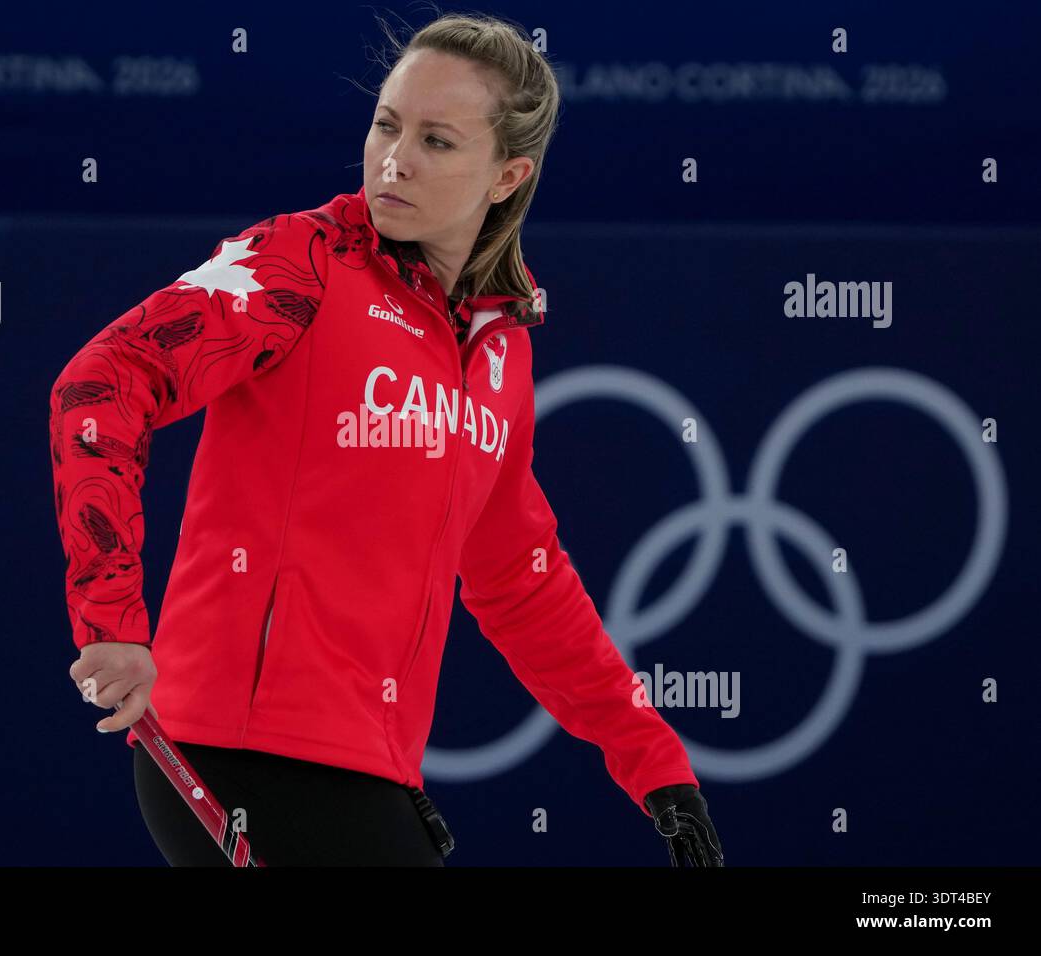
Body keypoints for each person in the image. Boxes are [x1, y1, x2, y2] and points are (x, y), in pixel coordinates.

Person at [51, 12, 722, 866]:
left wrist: (653, 760)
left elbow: (519, 574)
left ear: (507, 175)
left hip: (369, 765)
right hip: (233, 751)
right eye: (386, 123)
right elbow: (101, 385)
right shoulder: (296, 263)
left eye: (438, 141)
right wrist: (109, 614)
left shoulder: (499, 344)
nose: (395, 158)